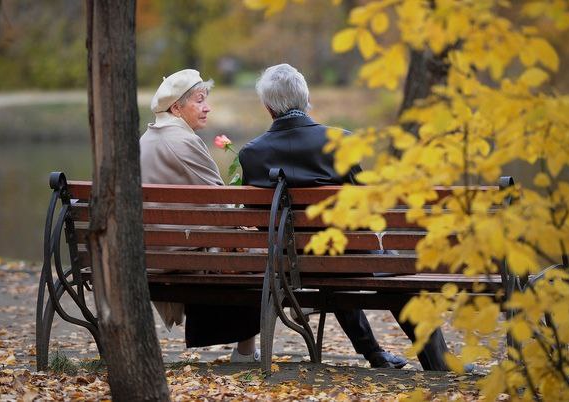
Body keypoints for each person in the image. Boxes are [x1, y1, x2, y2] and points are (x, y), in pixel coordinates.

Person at [239, 63, 451, 370]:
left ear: (268, 107)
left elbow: (257, 216)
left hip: (287, 262)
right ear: (306, 99)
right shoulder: (340, 142)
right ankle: (439, 362)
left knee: (336, 269)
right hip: (346, 252)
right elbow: (365, 202)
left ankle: (376, 354)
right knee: (384, 267)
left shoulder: (251, 153)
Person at [139, 69, 260, 362]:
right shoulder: (184, 142)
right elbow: (220, 205)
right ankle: (245, 352)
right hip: (180, 256)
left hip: (151, 251)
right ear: (176, 108)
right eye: (199, 100)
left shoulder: (147, 139)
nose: (207, 107)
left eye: (206, 99)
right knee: (254, 252)